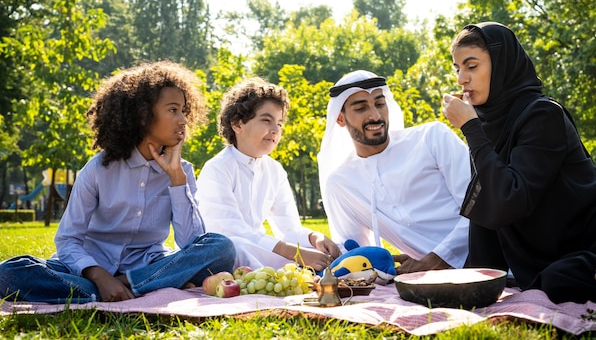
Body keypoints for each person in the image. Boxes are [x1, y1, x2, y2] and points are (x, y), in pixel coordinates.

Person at [0, 61, 236, 304]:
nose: (184, 120)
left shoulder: (182, 172)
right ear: (143, 115)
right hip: (91, 267)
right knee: (9, 272)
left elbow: (192, 243)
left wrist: (176, 179)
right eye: (174, 110)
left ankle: (123, 286)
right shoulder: (98, 168)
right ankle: (129, 287)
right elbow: (68, 240)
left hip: (149, 264)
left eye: (184, 111)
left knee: (221, 248)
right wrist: (100, 276)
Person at [442, 22, 596, 304]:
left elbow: (510, 197)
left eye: (472, 66)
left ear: (502, 64)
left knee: (563, 280)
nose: (461, 79)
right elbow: (489, 203)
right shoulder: (486, 124)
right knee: (550, 278)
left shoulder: (542, 115)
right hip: (561, 244)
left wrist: (470, 128)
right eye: (457, 68)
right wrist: (477, 282)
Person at [318, 70, 471, 274]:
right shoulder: (340, 184)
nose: (375, 115)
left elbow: (481, 208)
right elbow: (357, 253)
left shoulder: (432, 138)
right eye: (361, 108)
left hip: (495, 260)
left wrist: (438, 259)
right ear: (340, 119)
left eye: (380, 104)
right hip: (429, 282)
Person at [196, 77, 341, 272]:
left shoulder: (275, 171)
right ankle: (295, 270)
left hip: (260, 248)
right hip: (224, 252)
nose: (275, 130)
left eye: (280, 124)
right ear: (237, 124)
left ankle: (312, 267)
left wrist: (314, 238)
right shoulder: (217, 169)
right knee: (235, 247)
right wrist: (295, 253)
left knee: (332, 248)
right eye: (266, 120)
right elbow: (229, 230)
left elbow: (289, 229)